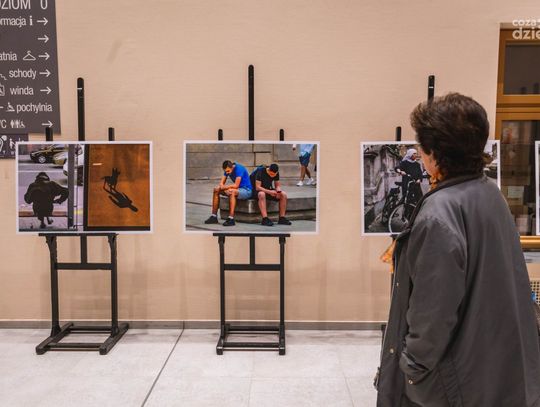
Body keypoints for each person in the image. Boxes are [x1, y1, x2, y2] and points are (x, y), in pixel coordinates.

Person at [376, 93, 540, 407]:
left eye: (422, 147)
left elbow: (432, 313)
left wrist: (412, 367)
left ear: (435, 153)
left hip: (455, 381)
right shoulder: (489, 193)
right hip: (493, 368)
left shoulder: (439, 213)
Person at [204, 160, 252, 226]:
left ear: (232, 167)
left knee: (232, 192)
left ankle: (231, 219)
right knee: (216, 190)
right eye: (225, 171)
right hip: (237, 189)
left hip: (246, 190)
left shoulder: (239, 169)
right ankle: (214, 216)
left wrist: (226, 188)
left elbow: (236, 185)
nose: (227, 173)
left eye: (228, 171)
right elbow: (221, 183)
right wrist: (222, 187)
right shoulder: (227, 169)